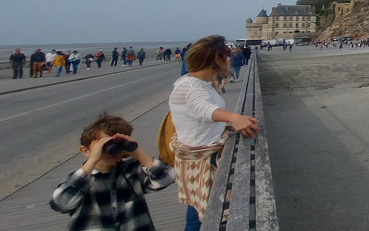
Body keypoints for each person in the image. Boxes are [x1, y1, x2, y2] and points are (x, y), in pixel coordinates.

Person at [168, 35, 259, 231]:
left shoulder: (194, 82)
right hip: (202, 161)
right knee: (209, 216)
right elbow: (203, 109)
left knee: (196, 213)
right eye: (225, 57)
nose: (229, 61)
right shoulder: (191, 87)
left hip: (199, 156)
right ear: (215, 59)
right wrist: (234, 118)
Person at [50, 113, 174, 231]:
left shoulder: (132, 169)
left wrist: (137, 151)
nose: (112, 151)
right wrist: (93, 159)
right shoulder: (81, 179)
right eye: (105, 145)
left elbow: (165, 178)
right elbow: (61, 204)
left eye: (118, 145)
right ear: (85, 150)